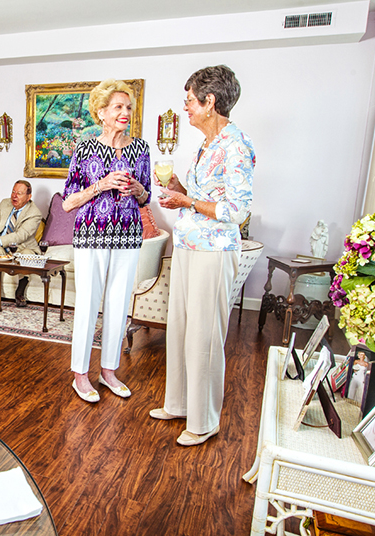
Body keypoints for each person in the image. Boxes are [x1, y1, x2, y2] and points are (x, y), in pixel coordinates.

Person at [150, 65, 255, 446]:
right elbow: (198, 199)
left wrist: (187, 200)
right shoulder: (207, 145)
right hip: (188, 246)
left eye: (190, 101)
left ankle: (205, 419)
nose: (186, 108)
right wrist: (178, 188)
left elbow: (236, 210)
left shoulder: (236, 146)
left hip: (214, 251)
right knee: (179, 327)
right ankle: (178, 404)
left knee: (205, 336)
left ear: (210, 102)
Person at [62, 78, 151, 403]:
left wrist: (137, 190)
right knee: (87, 304)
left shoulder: (141, 148)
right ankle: (80, 375)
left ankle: (109, 371)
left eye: (128, 107)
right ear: (101, 112)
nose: (125, 112)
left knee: (118, 304)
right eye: (118, 107)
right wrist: (101, 185)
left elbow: (146, 198)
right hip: (91, 237)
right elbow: (68, 202)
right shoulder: (85, 148)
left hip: (128, 236)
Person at [0, 180, 42, 308]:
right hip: (1, 244)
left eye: (19, 193)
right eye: (13, 192)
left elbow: (20, 235)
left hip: (23, 246)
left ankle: (19, 293)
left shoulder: (35, 213)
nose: (14, 196)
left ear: (28, 197)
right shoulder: (4, 204)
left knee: (27, 255)